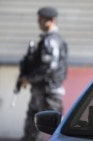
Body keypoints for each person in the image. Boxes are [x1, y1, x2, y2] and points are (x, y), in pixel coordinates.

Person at [19, 6, 68, 141]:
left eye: (41, 19)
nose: (38, 22)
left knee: (58, 133)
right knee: (31, 132)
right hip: (40, 92)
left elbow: (49, 67)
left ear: (51, 20)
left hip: (49, 93)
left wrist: (28, 78)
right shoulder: (47, 40)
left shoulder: (51, 40)